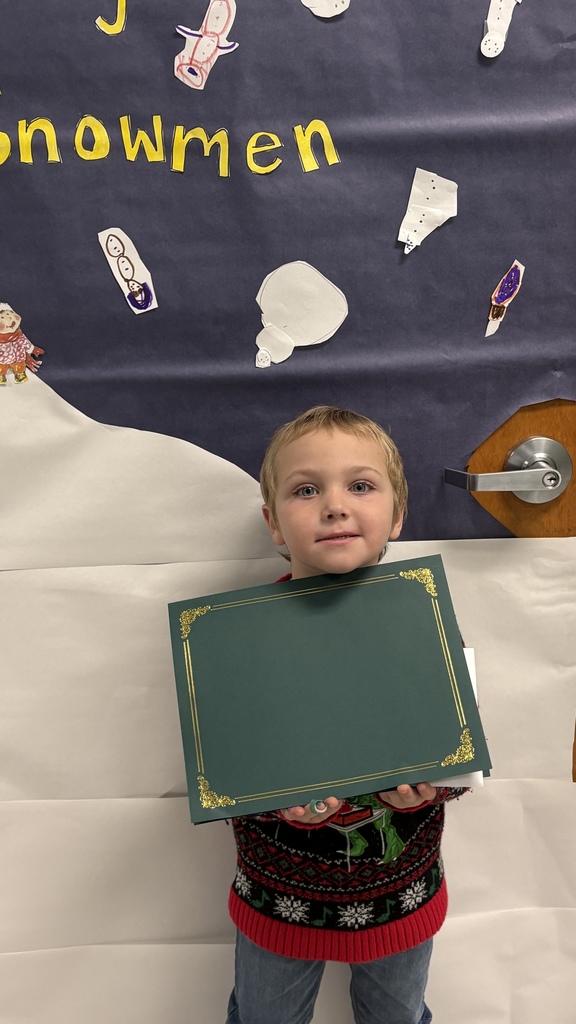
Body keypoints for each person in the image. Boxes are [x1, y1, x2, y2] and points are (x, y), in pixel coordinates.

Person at [226, 406, 468, 1024]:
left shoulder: (424, 623)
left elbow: (452, 751)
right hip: (278, 898)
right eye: (306, 490)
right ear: (273, 522)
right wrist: (270, 797)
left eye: (360, 486)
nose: (335, 505)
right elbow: (227, 759)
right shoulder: (240, 641)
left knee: (397, 1016)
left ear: (398, 512)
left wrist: (428, 790)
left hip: (401, 894)